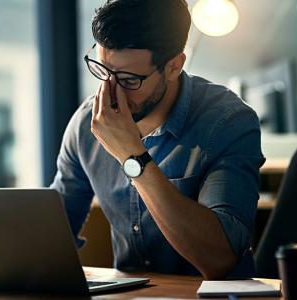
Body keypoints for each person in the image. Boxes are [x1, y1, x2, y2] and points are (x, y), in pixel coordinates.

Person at [51, 0, 265, 279]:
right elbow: (54, 231)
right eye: (103, 71)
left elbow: (220, 259)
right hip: (127, 296)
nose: (110, 92)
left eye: (128, 80)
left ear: (174, 66)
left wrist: (132, 157)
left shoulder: (227, 122)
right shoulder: (86, 124)